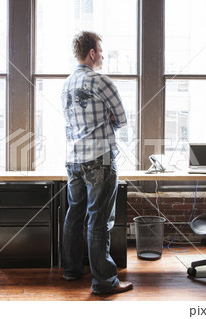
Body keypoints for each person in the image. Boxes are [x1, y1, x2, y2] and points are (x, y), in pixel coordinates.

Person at [61, 31, 132, 295]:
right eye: (100, 51)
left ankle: (71, 270)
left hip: (73, 160)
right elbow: (122, 119)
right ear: (92, 52)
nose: (102, 55)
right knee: (98, 220)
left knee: (74, 214)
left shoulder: (67, 84)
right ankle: (104, 282)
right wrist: (109, 119)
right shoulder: (101, 81)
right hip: (99, 159)